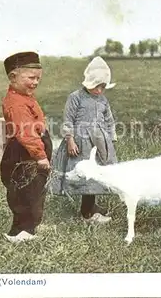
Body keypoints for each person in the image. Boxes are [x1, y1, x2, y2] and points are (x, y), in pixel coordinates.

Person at [49, 56, 117, 223]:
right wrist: (70, 139)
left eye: (103, 87)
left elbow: (109, 119)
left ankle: (91, 205)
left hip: (99, 142)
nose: (99, 91)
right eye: (96, 86)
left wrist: (111, 139)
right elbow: (68, 119)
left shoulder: (102, 100)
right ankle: (87, 213)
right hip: (82, 142)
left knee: (97, 175)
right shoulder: (76, 97)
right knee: (86, 174)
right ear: (89, 82)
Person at [0, 51, 53, 243]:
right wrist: (40, 155)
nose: (36, 82)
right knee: (25, 190)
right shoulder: (16, 104)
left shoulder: (25, 97)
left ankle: (30, 226)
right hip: (24, 153)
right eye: (31, 78)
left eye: (38, 78)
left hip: (30, 150)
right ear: (13, 77)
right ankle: (22, 232)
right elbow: (27, 133)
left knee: (36, 188)